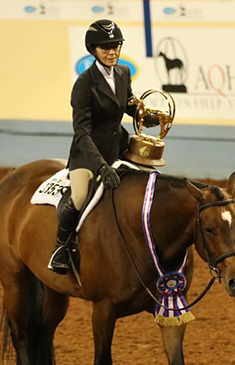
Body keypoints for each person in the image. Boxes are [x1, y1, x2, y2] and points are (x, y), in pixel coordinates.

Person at [48, 19, 158, 274]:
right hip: (87, 156)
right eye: (105, 48)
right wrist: (101, 166)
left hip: (119, 147)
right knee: (78, 197)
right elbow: (82, 132)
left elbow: (127, 102)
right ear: (93, 50)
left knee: (146, 187)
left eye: (116, 46)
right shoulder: (84, 85)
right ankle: (60, 248)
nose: (112, 52)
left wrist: (142, 116)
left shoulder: (123, 73)